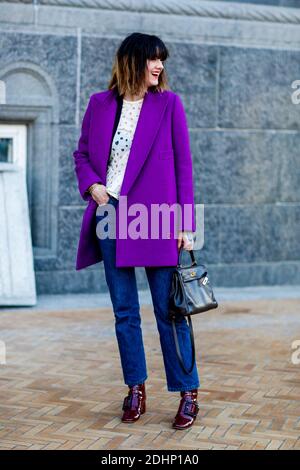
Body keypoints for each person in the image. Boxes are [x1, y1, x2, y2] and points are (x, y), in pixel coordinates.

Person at [73, 32, 200, 430]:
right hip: (110, 214)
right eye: (153, 59)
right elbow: (81, 154)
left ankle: (188, 392)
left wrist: (186, 224)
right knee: (125, 312)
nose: (159, 66)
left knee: (171, 311)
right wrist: (92, 185)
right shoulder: (100, 103)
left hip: (157, 218)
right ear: (132, 61)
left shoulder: (169, 104)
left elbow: (184, 166)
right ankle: (135, 388)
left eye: (162, 59)